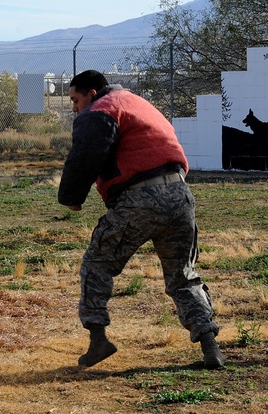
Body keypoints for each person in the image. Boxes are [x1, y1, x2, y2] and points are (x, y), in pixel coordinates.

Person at [57, 70, 226, 370]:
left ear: (92, 94)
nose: (74, 108)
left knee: (96, 264)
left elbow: (86, 153)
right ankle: (210, 347)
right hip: (180, 194)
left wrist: (72, 197)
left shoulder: (101, 109)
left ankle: (98, 341)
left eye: (75, 99)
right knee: (183, 276)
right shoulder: (137, 102)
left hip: (139, 198)